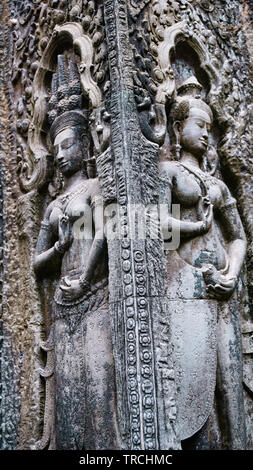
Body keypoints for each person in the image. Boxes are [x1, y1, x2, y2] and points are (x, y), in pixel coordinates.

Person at [33, 57, 120, 450]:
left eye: (68, 143)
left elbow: (108, 231)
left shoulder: (98, 187)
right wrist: (59, 246)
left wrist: (85, 276)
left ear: (84, 143)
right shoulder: (52, 207)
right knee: (68, 398)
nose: (62, 153)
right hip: (63, 311)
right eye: (56, 147)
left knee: (102, 388)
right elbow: (38, 264)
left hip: (96, 297)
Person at [159, 77, 247, 449]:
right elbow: (157, 226)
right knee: (190, 388)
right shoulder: (169, 173)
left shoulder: (218, 185)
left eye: (211, 129)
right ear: (178, 128)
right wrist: (197, 225)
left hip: (223, 292)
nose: (207, 135)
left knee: (231, 385)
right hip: (185, 293)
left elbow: (239, 236)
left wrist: (232, 272)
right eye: (201, 126)